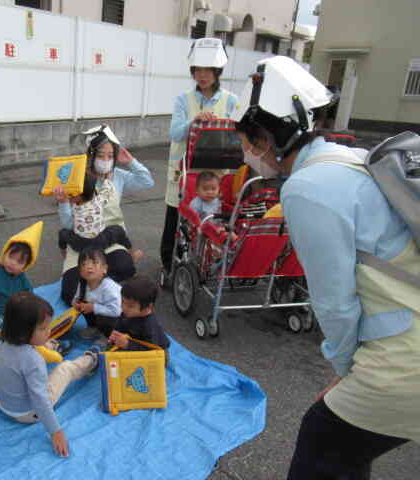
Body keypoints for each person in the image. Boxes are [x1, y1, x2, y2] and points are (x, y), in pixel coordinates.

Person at [231, 56, 418, 479]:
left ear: (267, 137)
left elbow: (335, 303)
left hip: (406, 358)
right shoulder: (348, 157)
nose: (247, 153)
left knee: (324, 442)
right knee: (344, 452)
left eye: (249, 141)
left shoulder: (307, 188)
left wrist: (344, 372)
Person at [160, 37, 239, 282]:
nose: (202, 75)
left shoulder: (231, 100)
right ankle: (169, 265)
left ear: (217, 72)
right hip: (184, 172)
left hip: (215, 176)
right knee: (175, 219)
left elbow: (239, 133)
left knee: (212, 220)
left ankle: (207, 265)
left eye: (208, 70)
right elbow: (174, 133)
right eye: (198, 70)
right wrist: (194, 121)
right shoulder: (184, 99)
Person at [0, 291, 101, 457]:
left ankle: (52, 347)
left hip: (1, 401)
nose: (49, 331)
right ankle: (91, 360)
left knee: (38, 348)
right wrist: (55, 431)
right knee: (65, 369)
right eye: (43, 328)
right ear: (23, 332)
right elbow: (40, 399)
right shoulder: (34, 361)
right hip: (26, 413)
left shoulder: (5, 340)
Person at [55, 124, 154, 305]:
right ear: (90, 155)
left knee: (125, 267)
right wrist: (63, 203)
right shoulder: (77, 179)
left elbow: (147, 181)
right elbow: (68, 224)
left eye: (110, 156)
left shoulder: (118, 176)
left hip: (111, 239)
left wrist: (130, 161)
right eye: (100, 155)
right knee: (69, 293)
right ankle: (99, 284)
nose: (106, 160)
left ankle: (96, 284)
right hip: (82, 242)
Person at [57, 170, 133, 254]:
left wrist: (63, 203)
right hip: (101, 240)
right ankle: (130, 251)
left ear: (79, 196)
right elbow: (106, 191)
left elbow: (67, 224)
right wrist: (107, 179)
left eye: (70, 193)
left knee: (63, 233)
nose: (67, 195)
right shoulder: (99, 200)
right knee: (119, 229)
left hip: (80, 244)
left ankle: (63, 251)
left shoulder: (78, 211)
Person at [108, 275, 170, 364]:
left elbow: (151, 351)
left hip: (157, 353)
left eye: (130, 306)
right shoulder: (127, 313)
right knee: (112, 352)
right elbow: (120, 325)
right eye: (122, 301)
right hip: (135, 342)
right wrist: (115, 334)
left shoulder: (149, 325)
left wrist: (128, 345)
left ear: (148, 307)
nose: (123, 307)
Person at [71, 247, 122, 344]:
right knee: (83, 303)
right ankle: (94, 327)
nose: (89, 267)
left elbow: (116, 311)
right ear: (80, 271)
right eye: (84, 264)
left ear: (104, 269)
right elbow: (77, 297)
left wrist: (94, 308)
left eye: (94, 263)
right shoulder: (83, 283)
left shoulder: (109, 287)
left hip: (116, 317)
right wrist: (75, 302)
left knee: (108, 320)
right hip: (97, 310)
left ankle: (108, 335)